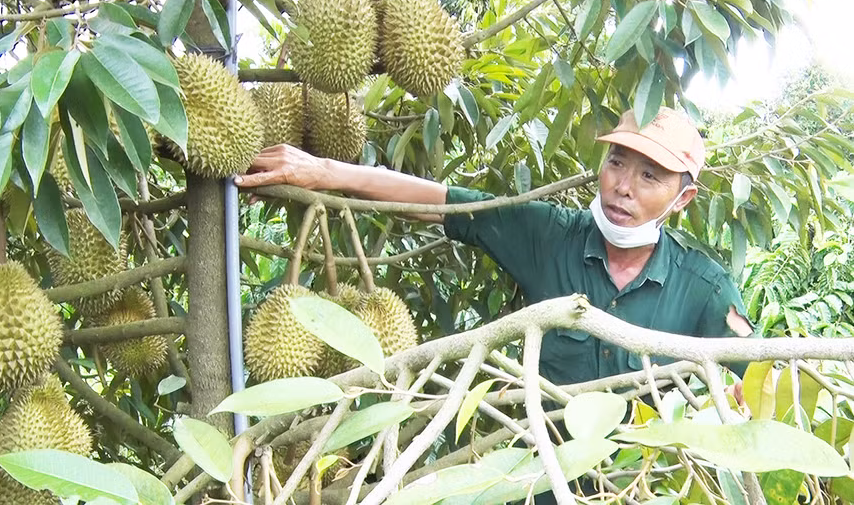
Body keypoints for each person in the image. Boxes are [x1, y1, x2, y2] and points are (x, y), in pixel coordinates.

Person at [234, 107, 753, 386]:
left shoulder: (705, 291)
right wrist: (323, 170)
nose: (623, 186)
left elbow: (745, 395)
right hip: (533, 482)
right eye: (616, 162)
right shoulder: (549, 235)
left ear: (683, 197)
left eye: (649, 176)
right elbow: (444, 203)